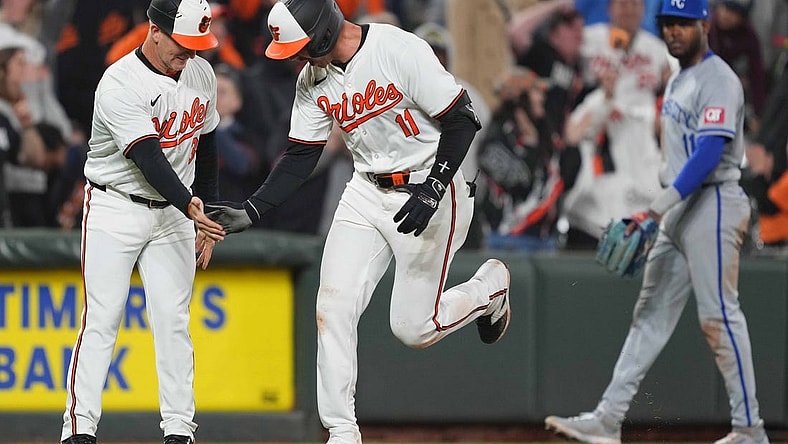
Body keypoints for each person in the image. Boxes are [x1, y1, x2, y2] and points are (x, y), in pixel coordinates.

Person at [204, 0, 511, 442]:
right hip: (366, 189)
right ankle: (342, 432)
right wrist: (253, 209)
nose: (296, 59)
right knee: (332, 306)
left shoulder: (397, 49)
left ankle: (488, 289)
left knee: (413, 328)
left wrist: (433, 187)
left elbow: (463, 121)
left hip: (432, 184)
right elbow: (300, 155)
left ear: (324, 35)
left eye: (301, 48)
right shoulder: (312, 78)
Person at [545, 1, 770, 444]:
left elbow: (708, 155)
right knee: (648, 314)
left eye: (684, 23)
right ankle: (609, 418)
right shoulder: (680, 79)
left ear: (704, 25)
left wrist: (655, 208)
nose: (674, 31)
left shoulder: (718, 79)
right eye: (668, 23)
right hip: (681, 207)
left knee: (719, 317)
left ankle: (750, 430)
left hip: (714, 201)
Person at [59, 0, 226, 443]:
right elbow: (149, 158)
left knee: (173, 319)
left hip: (175, 212)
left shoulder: (201, 73)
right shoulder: (118, 82)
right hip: (117, 206)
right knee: (103, 317)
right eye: (182, 42)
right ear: (154, 29)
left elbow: (206, 150)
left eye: (196, 45)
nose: (189, 53)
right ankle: (79, 429)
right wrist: (192, 207)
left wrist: (202, 215)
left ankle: (178, 430)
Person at [561, 0, 671, 249]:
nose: (629, 10)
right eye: (623, 4)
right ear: (610, 8)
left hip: (641, 138)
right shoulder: (590, 39)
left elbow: (674, 88)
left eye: (635, 4)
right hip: (599, 125)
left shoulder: (656, 49)